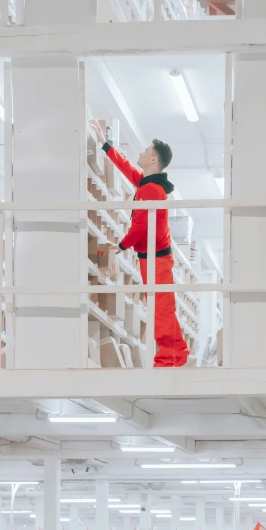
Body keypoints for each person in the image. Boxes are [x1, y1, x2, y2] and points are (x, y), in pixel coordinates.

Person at [91, 121, 189, 368]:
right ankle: (178, 354)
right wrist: (105, 144)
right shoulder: (148, 185)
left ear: (154, 160)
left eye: (146, 151)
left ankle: (168, 359)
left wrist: (121, 246)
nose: (141, 153)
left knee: (161, 309)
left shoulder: (153, 190)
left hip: (156, 259)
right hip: (152, 259)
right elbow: (127, 169)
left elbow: (142, 226)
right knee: (161, 306)